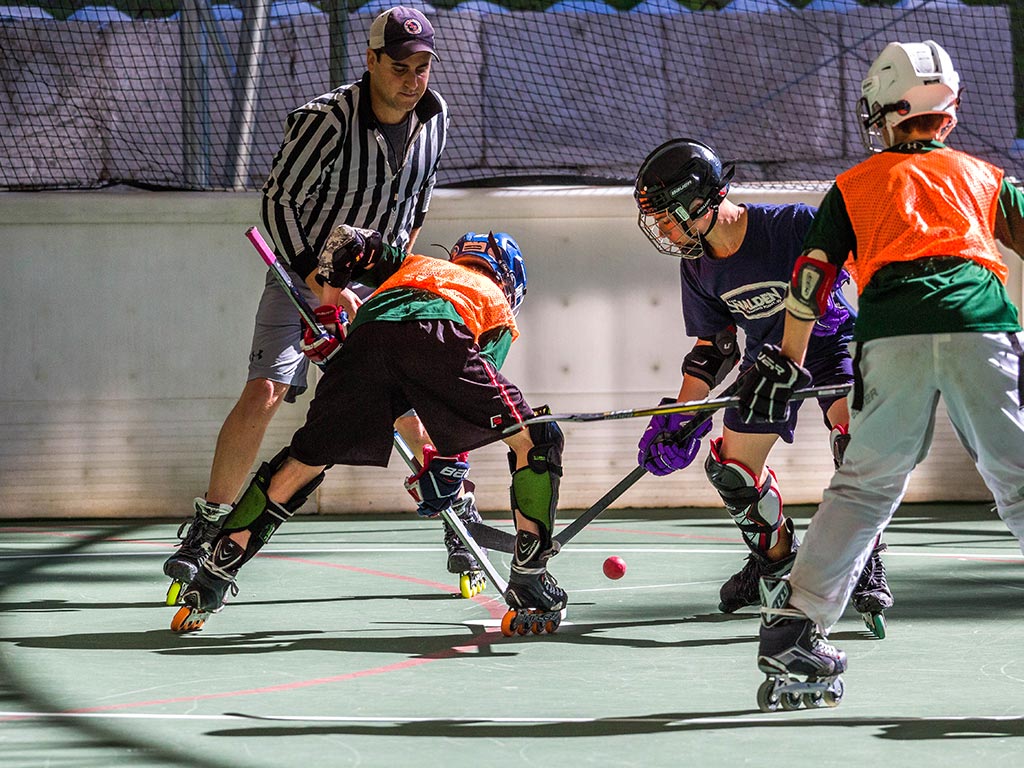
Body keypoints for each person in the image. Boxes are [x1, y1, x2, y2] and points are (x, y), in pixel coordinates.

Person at [162, 7, 484, 601]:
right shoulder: (326, 120)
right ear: (371, 61)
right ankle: (209, 524)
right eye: (400, 67)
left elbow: (416, 204)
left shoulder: (435, 118)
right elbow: (280, 202)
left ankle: (458, 522)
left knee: (408, 400)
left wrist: (386, 285)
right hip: (302, 272)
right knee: (266, 390)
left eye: (423, 67)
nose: (414, 80)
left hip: (380, 281)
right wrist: (320, 279)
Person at [738, 39, 1024, 707]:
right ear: (947, 115)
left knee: (865, 486)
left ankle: (796, 627)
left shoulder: (855, 184)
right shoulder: (984, 177)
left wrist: (786, 357)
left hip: (890, 335)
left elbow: (811, 278)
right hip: (979, 324)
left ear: (885, 113)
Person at [169, 226, 568, 637]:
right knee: (537, 438)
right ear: (509, 278)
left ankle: (213, 574)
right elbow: (462, 390)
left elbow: (348, 240)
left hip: (367, 339)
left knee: (301, 463)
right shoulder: (494, 301)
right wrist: (448, 463)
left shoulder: (414, 265)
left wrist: (327, 311)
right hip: (444, 332)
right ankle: (530, 577)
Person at [633, 138, 892, 635]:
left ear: (697, 201)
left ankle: (865, 558)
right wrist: (678, 418)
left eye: (667, 217)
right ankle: (773, 560)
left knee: (855, 441)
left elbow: (860, 268)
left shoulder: (790, 225)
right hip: (766, 363)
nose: (663, 231)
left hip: (830, 346)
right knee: (731, 470)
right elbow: (716, 349)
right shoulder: (697, 265)